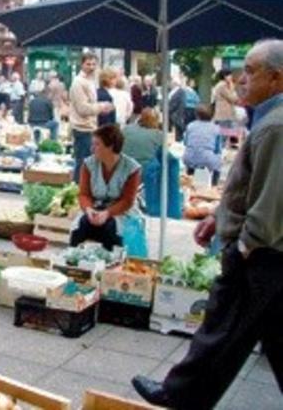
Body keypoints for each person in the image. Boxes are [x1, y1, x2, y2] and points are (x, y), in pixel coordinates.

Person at [132, 38, 283, 409]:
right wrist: (219, 216)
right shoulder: (269, 120)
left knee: (221, 328)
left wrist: (245, 246)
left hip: (263, 255)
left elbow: (271, 201)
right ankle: (182, 393)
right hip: (269, 254)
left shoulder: (276, 127)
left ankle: (180, 395)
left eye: (250, 71)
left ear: (277, 78)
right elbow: (254, 187)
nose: (239, 79)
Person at [70, 124, 141, 251]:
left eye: (97, 144)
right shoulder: (88, 164)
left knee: (111, 228)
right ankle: (74, 260)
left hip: (121, 211)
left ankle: (111, 263)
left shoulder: (132, 168)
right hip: (95, 207)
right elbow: (84, 194)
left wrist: (107, 213)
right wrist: (89, 209)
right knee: (81, 225)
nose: (92, 148)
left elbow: (127, 201)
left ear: (110, 146)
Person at [69, 53, 114, 182]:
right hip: (82, 129)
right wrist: (102, 107)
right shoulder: (78, 83)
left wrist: (100, 109)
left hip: (90, 127)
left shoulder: (90, 81)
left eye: (94, 64)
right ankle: (78, 192)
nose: (91, 67)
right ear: (82, 64)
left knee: (88, 164)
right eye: (88, 64)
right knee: (83, 163)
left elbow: (90, 106)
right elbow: (83, 109)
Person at [183, 104, 222, 186]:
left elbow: (185, 142)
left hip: (190, 158)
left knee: (191, 160)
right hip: (207, 159)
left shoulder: (190, 126)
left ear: (197, 115)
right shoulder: (216, 128)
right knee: (218, 164)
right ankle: (214, 185)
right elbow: (218, 149)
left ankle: (189, 180)